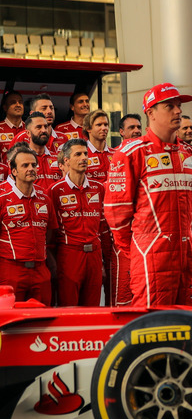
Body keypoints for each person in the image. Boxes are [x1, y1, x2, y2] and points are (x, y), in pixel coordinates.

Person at [104, 83, 192, 308]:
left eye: (179, 106)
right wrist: (141, 250)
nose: (178, 111)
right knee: (151, 325)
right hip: (150, 253)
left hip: (187, 253)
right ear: (150, 112)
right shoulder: (131, 153)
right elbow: (116, 213)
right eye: (169, 106)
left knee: (190, 321)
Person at [49, 138, 105, 306]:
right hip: (69, 254)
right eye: (78, 154)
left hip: (94, 253)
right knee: (68, 307)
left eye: (85, 154)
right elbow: (50, 231)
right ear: (66, 160)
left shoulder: (98, 188)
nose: (83, 158)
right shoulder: (55, 190)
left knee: (93, 307)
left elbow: (103, 225)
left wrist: (102, 261)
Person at [0, 146, 57, 303]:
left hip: (40, 269)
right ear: (14, 171)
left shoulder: (44, 197)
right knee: (10, 323)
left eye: (33, 165)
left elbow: (50, 232)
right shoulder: (2, 197)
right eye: (25, 165)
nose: (31, 169)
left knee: (43, 321)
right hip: (11, 269)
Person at [25, 112, 61, 190]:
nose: (44, 130)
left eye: (46, 126)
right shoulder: (21, 160)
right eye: (39, 127)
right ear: (28, 133)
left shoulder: (58, 158)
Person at [83, 109, 113, 184]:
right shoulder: (81, 154)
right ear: (88, 129)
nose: (104, 128)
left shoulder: (115, 153)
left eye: (106, 125)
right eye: (99, 125)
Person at [0, 90, 25, 156]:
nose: (18, 105)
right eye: (13, 102)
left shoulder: (31, 128)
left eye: (20, 102)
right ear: (5, 107)